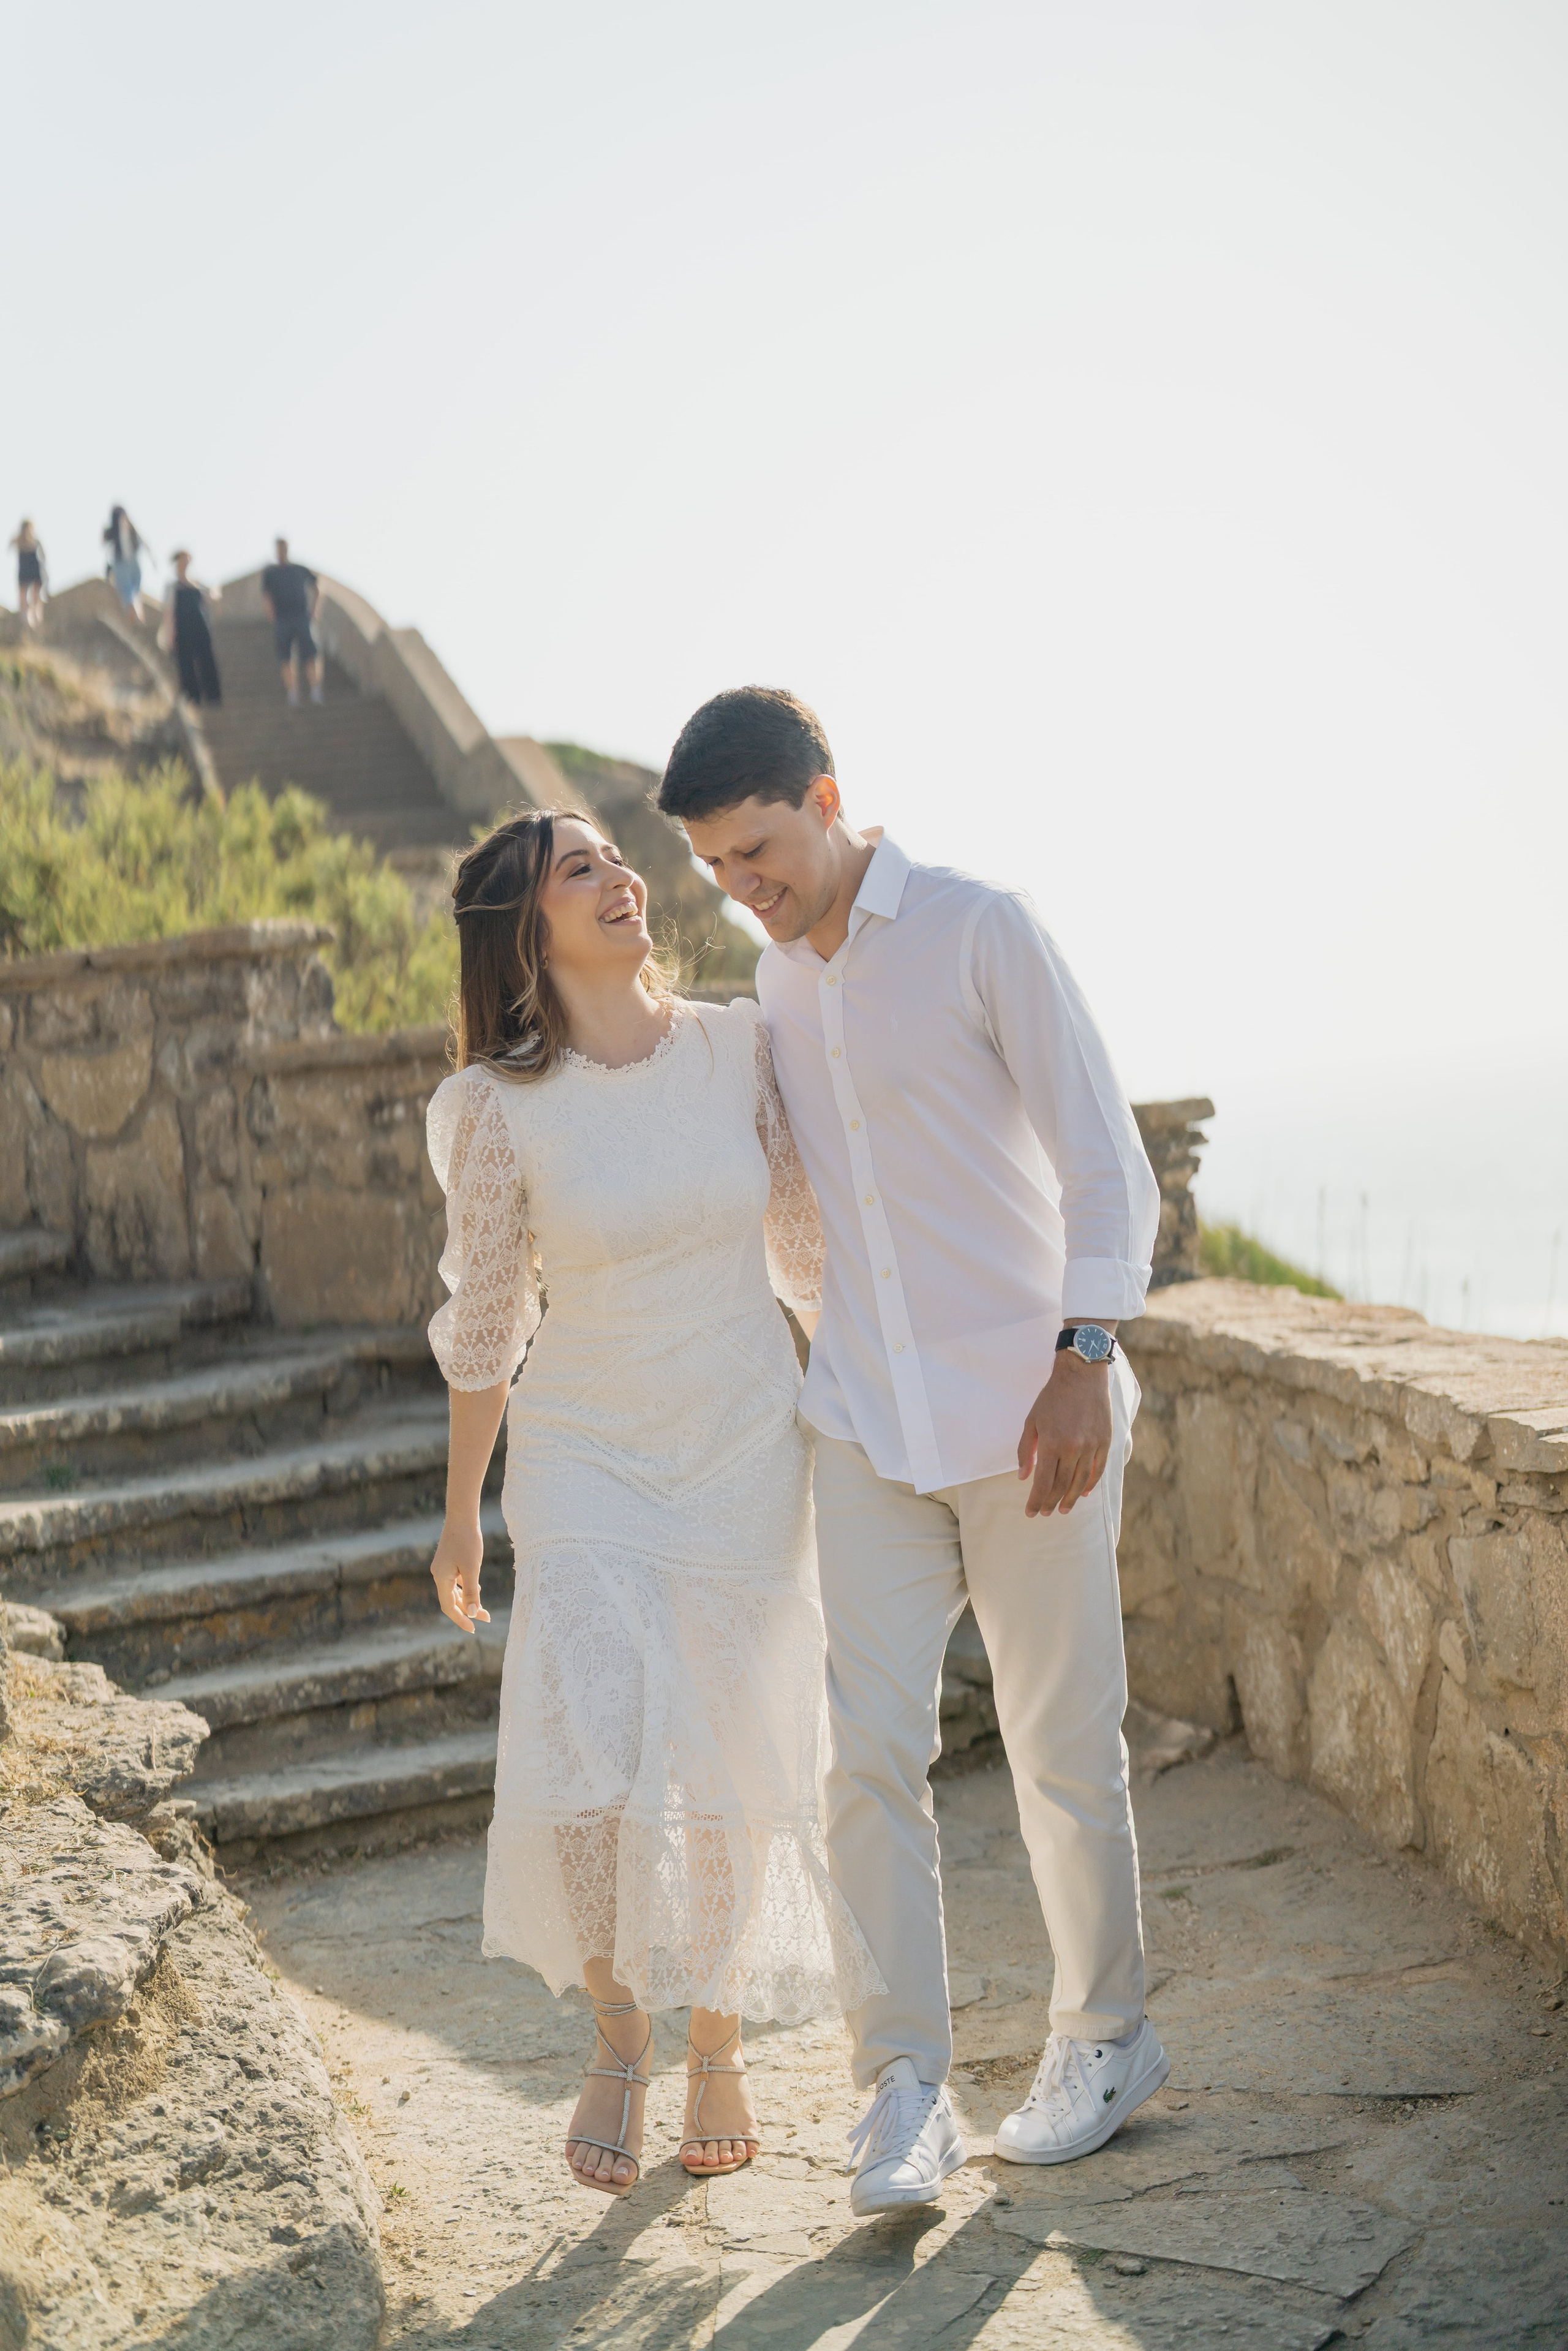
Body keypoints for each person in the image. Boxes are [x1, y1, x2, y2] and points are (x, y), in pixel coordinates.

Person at [659, 687, 1168, 2216]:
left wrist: (1084, 1358)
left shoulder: (973, 927)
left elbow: (1103, 1156)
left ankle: (1106, 2036)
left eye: (756, 849)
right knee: (860, 1756)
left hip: (1032, 1417)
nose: (743, 887)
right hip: (866, 1424)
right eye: (715, 870)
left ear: (825, 795)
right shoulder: (772, 985)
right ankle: (902, 2087)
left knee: (1059, 1748)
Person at [423, 807, 880, 2199]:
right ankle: (620, 2037)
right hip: (585, 1455)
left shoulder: (737, 1044)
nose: (622, 877)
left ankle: (718, 2035)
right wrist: (459, 1512)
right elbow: (488, 1317)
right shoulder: (497, 1108)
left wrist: (882, 1412)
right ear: (527, 926)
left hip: (743, 1440)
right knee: (592, 1748)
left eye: (620, 856)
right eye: (581, 867)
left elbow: (807, 1252)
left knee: (737, 1757)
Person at [260, 537, 323, 706]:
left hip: (302, 616)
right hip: (282, 619)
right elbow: (267, 595)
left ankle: (316, 690)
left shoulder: (299, 569)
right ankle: (293, 692)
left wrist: (315, 609)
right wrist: (271, 614)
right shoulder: (271, 573)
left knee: (311, 654)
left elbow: (317, 586)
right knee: (286, 657)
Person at [158, 552, 222, 705]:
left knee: (207, 662)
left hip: (200, 628)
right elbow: (169, 612)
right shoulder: (172, 587)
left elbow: (213, 595)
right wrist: (170, 635)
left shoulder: (197, 585)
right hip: (182, 630)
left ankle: (213, 697)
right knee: (186, 665)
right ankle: (193, 698)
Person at [103, 506, 149, 621]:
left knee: (127, 591)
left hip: (122, 563)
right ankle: (138, 614)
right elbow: (143, 542)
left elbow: (106, 543)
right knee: (135, 591)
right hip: (135, 563)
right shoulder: (130, 527)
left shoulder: (114, 530)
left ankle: (133, 615)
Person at [10, 521, 45, 630]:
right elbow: (9, 546)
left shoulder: (36, 541)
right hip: (24, 572)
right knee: (23, 597)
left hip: (34, 570)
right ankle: (25, 620)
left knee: (36, 597)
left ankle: (37, 619)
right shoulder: (18, 541)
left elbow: (43, 556)